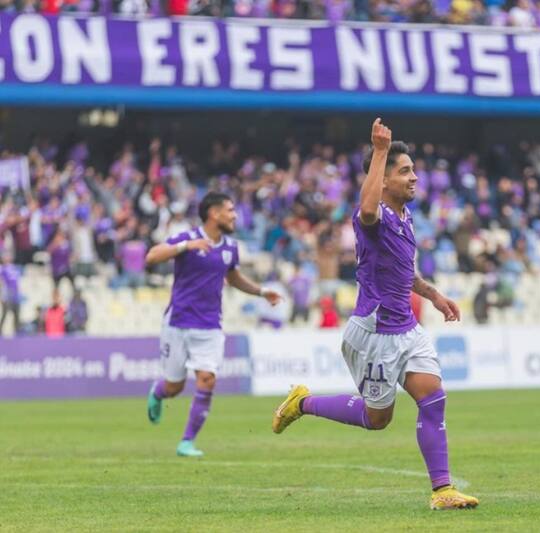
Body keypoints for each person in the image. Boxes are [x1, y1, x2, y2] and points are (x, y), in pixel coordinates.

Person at [271, 119, 478, 510]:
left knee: (433, 397)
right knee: (377, 419)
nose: (415, 177)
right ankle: (303, 403)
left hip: (407, 328)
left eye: (414, 170)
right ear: (382, 179)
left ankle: (442, 491)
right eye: (405, 171)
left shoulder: (404, 217)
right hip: (375, 333)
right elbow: (367, 209)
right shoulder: (373, 216)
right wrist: (380, 152)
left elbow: (404, 270)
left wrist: (434, 295)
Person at [145, 192, 282, 458]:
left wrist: (262, 291)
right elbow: (152, 256)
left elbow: (234, 278)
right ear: (214, 213)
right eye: (230, 210)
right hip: (178, 322)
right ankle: (158, 393)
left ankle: (187, 442)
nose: (234, 215)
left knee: (206, 380)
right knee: (174, 386)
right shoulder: (189, 237)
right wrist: (186, 247)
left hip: (209, 325)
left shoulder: (230, 248)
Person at [0, 252, 22, 336]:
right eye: (5, 256)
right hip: (7, 296)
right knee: (5, 314)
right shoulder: (2, 269)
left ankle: (17, 332)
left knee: (16, 315)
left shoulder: (15, 268)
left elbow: (17, 282)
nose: (7, 258)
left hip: (15, 296)